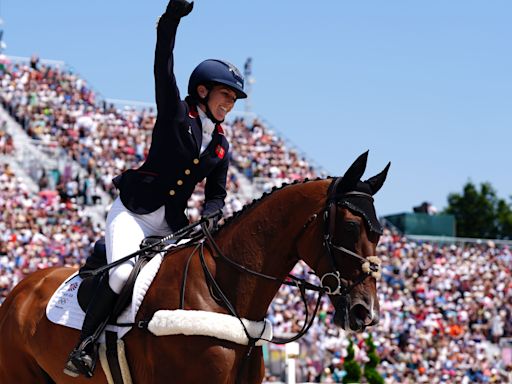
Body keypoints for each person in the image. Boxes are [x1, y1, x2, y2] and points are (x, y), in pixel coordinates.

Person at [63, 0, 247, 377]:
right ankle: (83, 347)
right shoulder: (176, 113)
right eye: (225, 94)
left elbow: (216, 193)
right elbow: (163, 63)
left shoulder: (221, 144)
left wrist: (212, 214)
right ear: (202, 90)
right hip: (135, 212)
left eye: (233, 98)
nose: (230, 102)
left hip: (172, 225)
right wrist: (171, 21)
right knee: (119, 276)